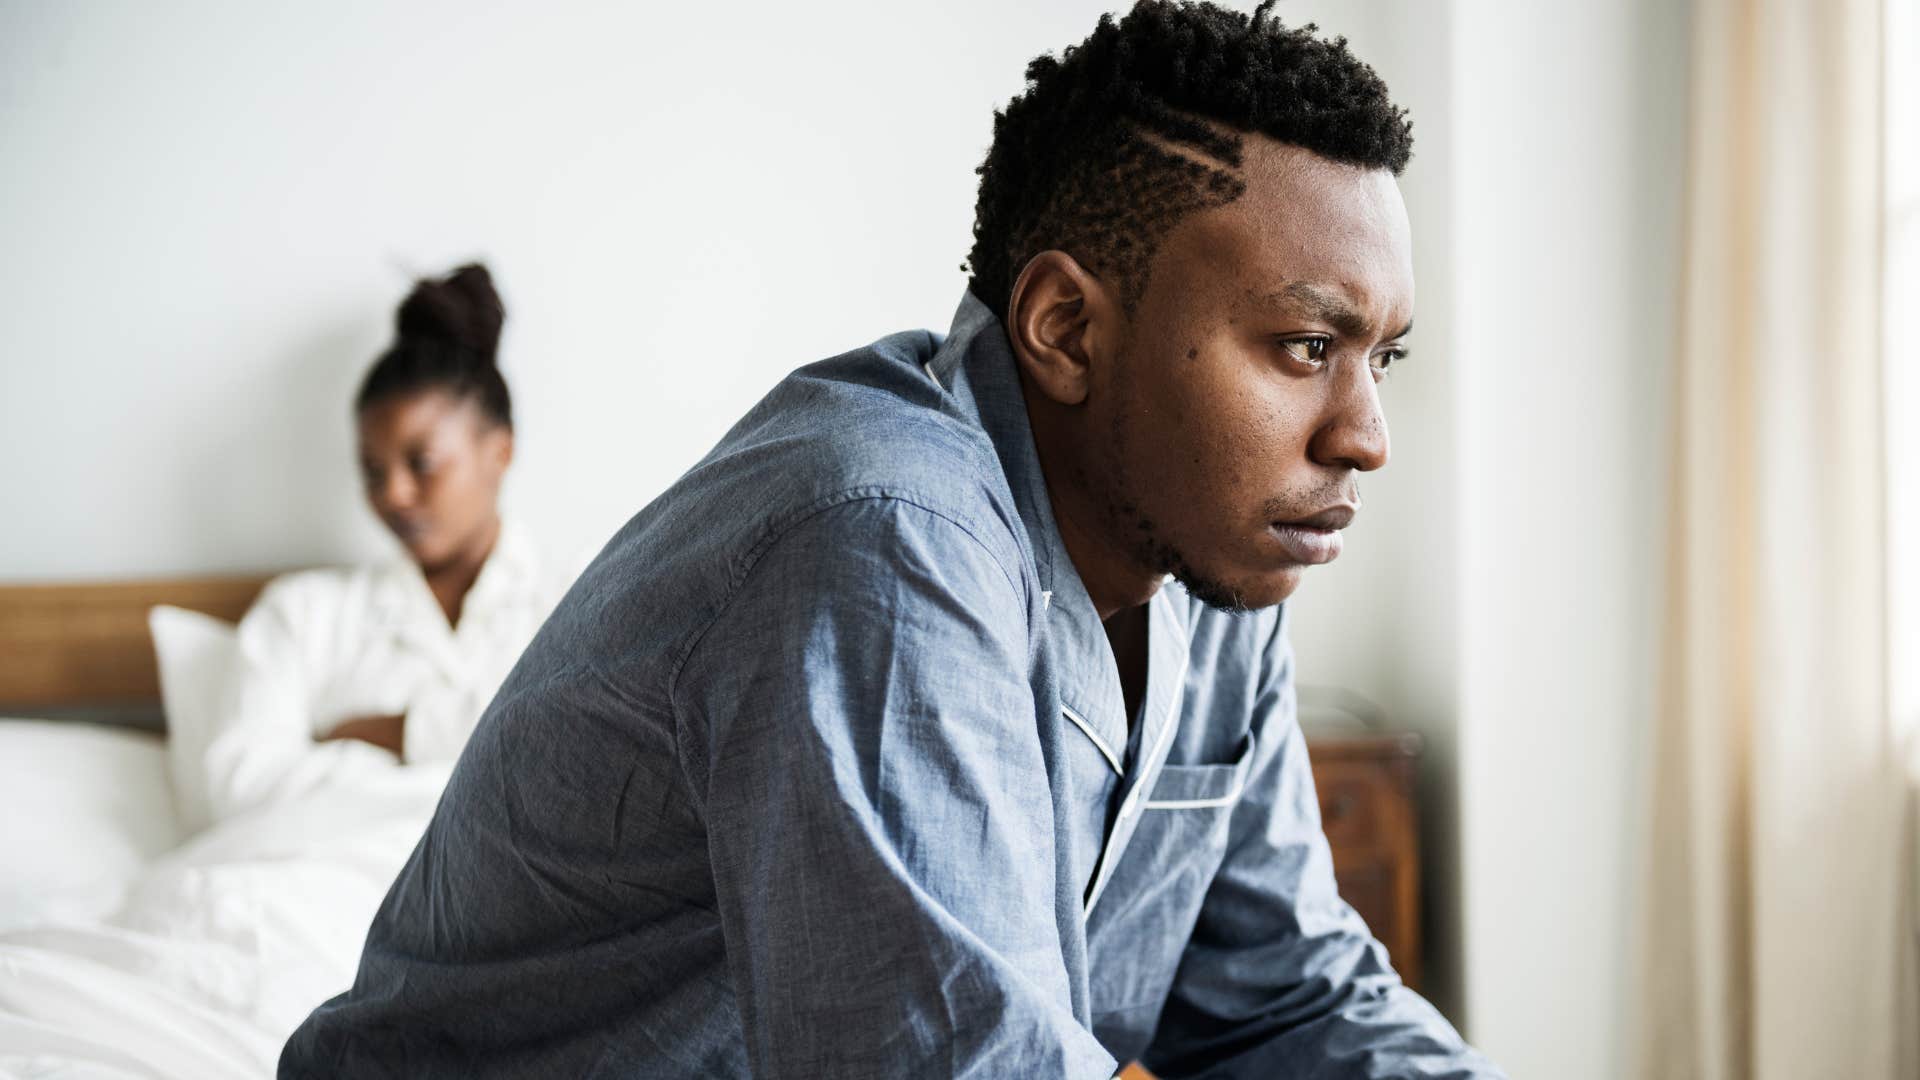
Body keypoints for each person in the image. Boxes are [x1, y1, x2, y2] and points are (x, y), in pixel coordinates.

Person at [283, 5, 1502, 1077]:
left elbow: (1284, 1001)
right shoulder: (879, 540)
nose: (1366, 437)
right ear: (1067, 329)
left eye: (1379, 357)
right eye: (1304, 348)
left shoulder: (1216, 564)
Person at [196, 263, 565, 825]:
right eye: (372, 471)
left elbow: (579, 762)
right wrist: (467, 755)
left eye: (422, 463)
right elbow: (238, 791)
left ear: (500, 451)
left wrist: (394, 733)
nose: (393, 494)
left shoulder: (583, 603)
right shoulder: (302, 614)